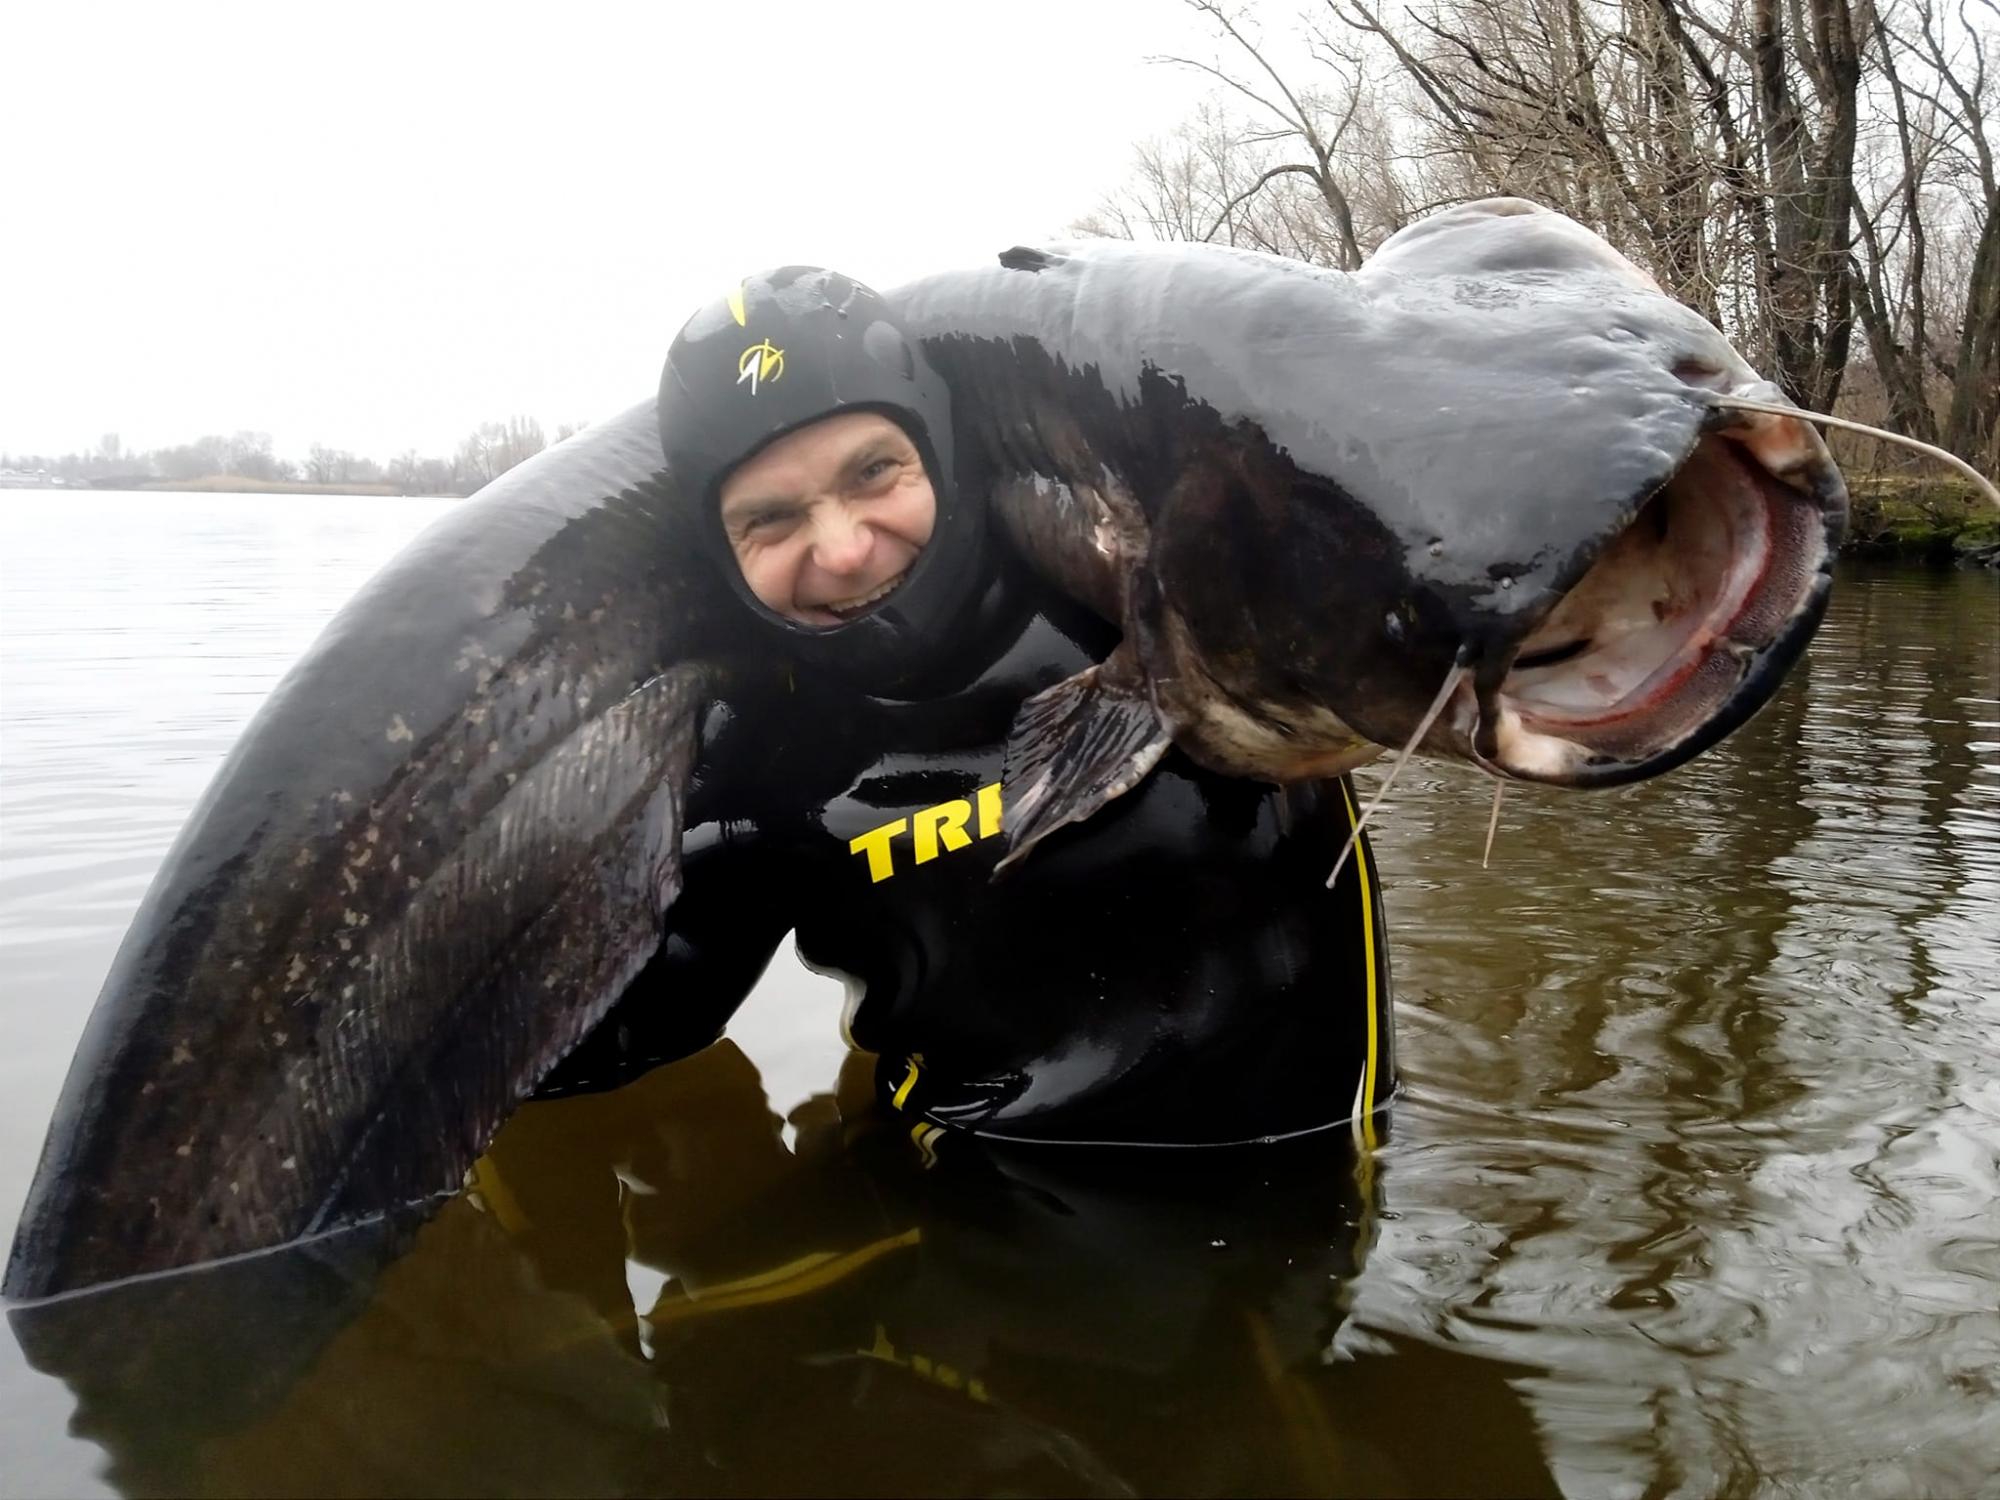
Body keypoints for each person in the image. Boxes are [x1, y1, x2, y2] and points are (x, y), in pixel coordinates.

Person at [533, 266, 1394, 1156]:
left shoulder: (1142, 594)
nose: (843, 548)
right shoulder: (760, 747)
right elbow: (628, 1020)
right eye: (770, 519)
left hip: (1315, 1177)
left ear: (942, 451)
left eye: (874, 471)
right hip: (965, 1197)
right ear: (720, 552)